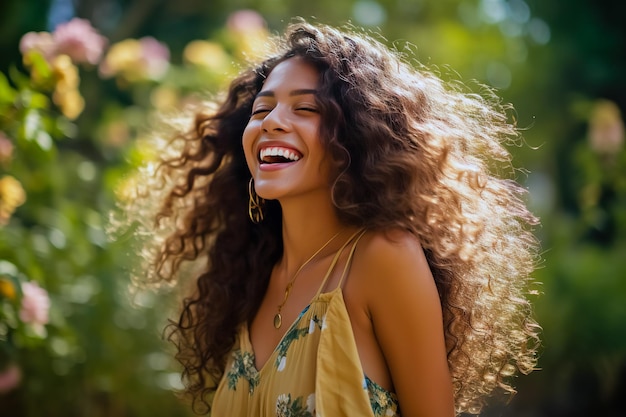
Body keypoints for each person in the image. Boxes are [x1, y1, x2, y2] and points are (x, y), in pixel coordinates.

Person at [122, 19, 540, 416]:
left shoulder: (383, 258)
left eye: (305, 108)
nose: (272, 123)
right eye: (261, 110)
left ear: (354, 135)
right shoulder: (248, 278)